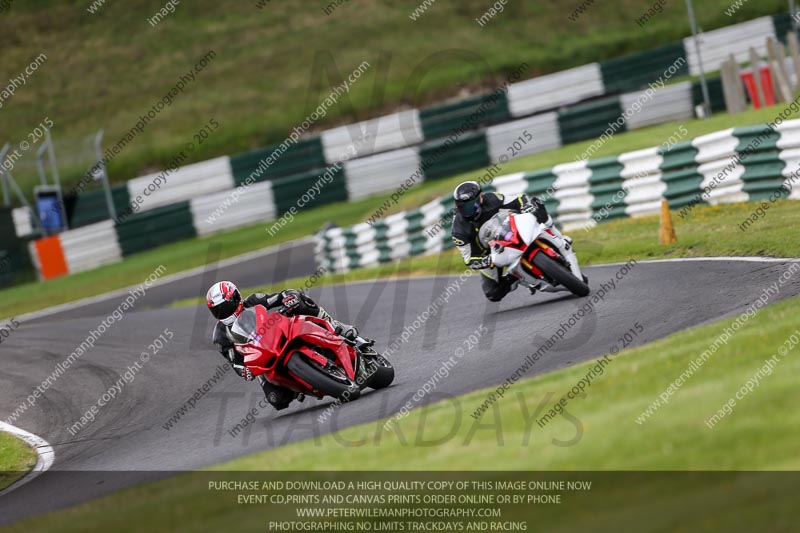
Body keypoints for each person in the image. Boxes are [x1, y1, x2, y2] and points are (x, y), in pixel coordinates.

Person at [206, 281, 359, 411]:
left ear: (236, 298)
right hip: (259, 356)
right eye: (217, 311)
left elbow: (277, 297)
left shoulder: (252, 300)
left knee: (301, 302)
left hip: (277, 332)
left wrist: (288, 297)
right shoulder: (220, 336)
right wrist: (244, 371)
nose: (222, 313)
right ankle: (301, 382)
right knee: (276, 399)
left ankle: (336, 325)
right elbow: (234, 363)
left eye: (224, 307)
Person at [450, 181, 572, 302]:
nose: (468, 210)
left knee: (536, 205)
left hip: (510, 227)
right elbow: (469, 259)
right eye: (463, 207)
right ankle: (516, 276)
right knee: (493, 293)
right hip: (490, 252)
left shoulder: (492, 198)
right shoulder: (458, 231)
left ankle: (559, 237)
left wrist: (525, 206)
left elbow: (519, 199)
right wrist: (485, 260)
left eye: (472, 205)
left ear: (480, 198)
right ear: (457, 206)